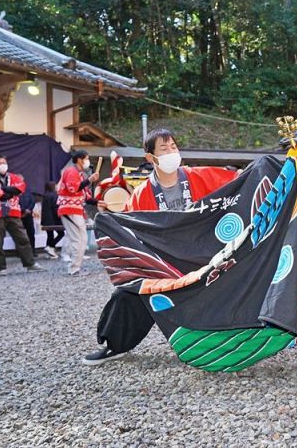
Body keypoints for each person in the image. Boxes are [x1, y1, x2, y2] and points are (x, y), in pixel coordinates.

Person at [83, 129, 238, 365]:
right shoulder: (142, 194)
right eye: (164, 149)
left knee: (247, 273)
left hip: (207, 257)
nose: (171, 152)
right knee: (129, 292)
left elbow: (239, 181)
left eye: (174, 147)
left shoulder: (200, 176)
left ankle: (242, 338)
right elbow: (130, 232)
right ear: (150, 157)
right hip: (165, 262)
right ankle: (116, 345)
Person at [0, 156, 44, 275]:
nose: (2, 165)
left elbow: (20, 188)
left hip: (13, 212)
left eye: (4, 162)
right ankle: (1, 267)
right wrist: (11, 191)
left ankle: (30, 263)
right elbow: (0, 195)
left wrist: (4, 189)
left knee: (22, 238)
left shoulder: (14, 177)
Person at [58, 149, 101, 276]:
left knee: (81, 239)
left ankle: (75, 267)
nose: (88, 161)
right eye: (87, 158)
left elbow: (85, 195)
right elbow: (73, 189)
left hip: (74, 209)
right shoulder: (71, 172)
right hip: (69, 209)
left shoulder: (79, 174)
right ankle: (74, 269)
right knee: (78, 239)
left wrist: (98, 202)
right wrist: (90, 180)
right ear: (80, 159)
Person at [41, 181, 64, 259]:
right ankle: (50, 247)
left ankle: (50, 251)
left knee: (49, 235)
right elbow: (55, 208)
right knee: (61, 233)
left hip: (46, 219)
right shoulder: (54, 196)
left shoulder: (45, 195)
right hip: (53, 219)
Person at [19, 186, 37, 258]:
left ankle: (32, 250)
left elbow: (32, 201)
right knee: (20, 234)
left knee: (31, 233)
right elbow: (14, 203)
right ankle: (21, 252)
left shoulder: (28, 190)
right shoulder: (14, 191)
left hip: (28, 215)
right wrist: (23, 210)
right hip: (19, 215)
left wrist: (29, 209)